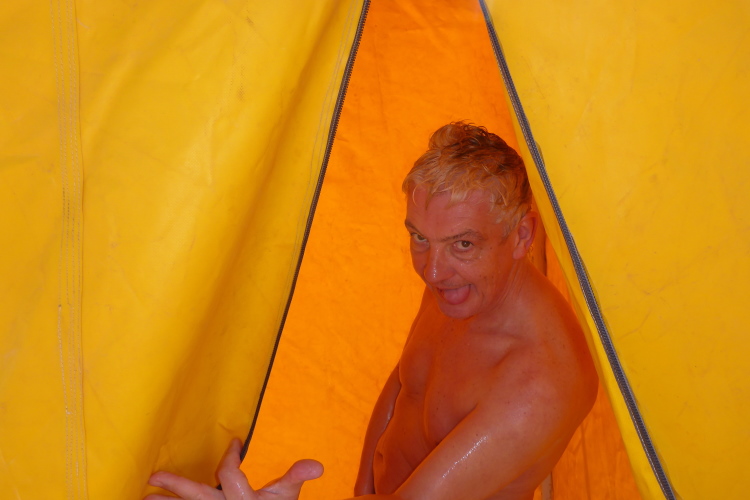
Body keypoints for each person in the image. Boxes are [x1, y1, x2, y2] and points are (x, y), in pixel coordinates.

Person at [145, 122, 598, 500]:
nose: (432, 271)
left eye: (463, 244)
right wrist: (362, 489)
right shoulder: (462, 285)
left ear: (522, 236)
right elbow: (406, 383)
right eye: (419, 237)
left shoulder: (540, 384)